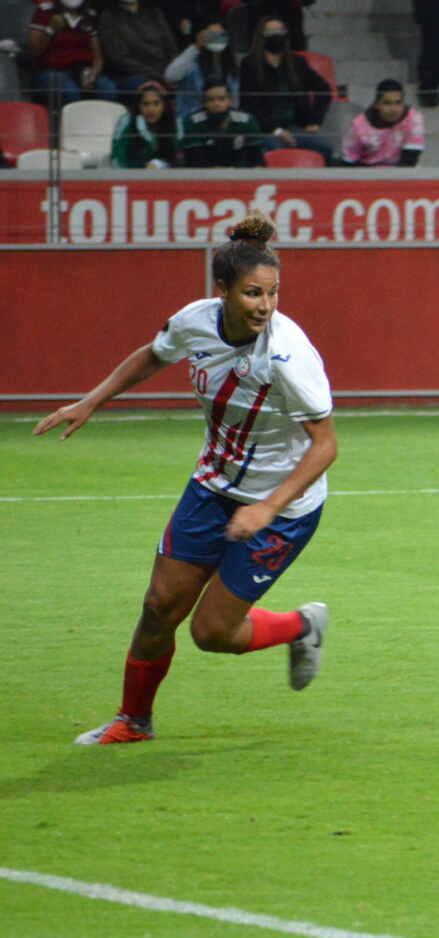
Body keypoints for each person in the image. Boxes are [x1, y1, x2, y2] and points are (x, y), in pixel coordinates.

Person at [38, 208, 337, 746]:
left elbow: (326, 446)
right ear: (222, 291)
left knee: (211, 632)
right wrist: (92, 401)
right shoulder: (196, 321)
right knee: (158, 608)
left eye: (273, 293)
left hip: (281, 508)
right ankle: (133, 722)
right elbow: (154, 355)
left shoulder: (288, 355)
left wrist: (266, 508)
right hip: (212, 488)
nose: (265, 305)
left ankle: (302, 626)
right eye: (253, 293)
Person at [239, 16, 333, 160]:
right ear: (261, 36)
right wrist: (276, 131)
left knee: (325, 148)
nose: (275, 36)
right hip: (264, 129)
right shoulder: (249, 64)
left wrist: (315, 121)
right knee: (276, 151)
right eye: (270, 32)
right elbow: (249, 104)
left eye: (279, 31)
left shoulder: (297, 62)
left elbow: (323, 89)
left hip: (293, 127)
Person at [27, 0, 114, 106]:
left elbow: (98, 56)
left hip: (82, 71)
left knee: (108, 89)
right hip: (50, 72)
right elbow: (33, 51)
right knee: (69, 92)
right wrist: (50, 30)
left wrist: (92, 75)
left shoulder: (91, 16)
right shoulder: (45, 11)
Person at [98, 0, 179, 100]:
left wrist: (172, 71)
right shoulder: (108, 17)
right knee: (150, 88)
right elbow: (120, 59)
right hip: (132, 76)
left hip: (165, 71)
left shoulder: (154, 12)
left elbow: (170, 47)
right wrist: (158, 76)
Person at [341, 79, 427, 167]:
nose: (393, 109)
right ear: (377, 104)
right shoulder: (359, 124)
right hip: (367, 171)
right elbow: (350, 160)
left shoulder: (413, 118)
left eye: (398, 103)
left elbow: (410, 159)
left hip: (401, 172)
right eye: (387, 103)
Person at [164, 19, 238, 119]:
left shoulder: (231, 66)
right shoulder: (192, 60)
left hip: (222, 119)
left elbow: (234, 100)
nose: (216, 39)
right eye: (211, 35)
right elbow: (171, 75)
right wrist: (196, 47)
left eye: (220, 35)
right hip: (191, 119)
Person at [180, 81, 265, 167]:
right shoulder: (194, 122)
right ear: (203, 103)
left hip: (240, 171)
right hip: (206, 172)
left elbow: (257, 161)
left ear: (230, 101)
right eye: (210, 100)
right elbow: (195, 161)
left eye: (221, 99)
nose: (216, 104)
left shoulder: (246, 120)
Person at [110, 81, 184, 168]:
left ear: (164, 105)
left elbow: (177, 158)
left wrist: (159, 164)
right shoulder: (126, 122)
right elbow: (117, 158)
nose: (151, 109)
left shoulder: (174, 123)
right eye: (145, 104)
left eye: (156, 103)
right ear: (138, 106)